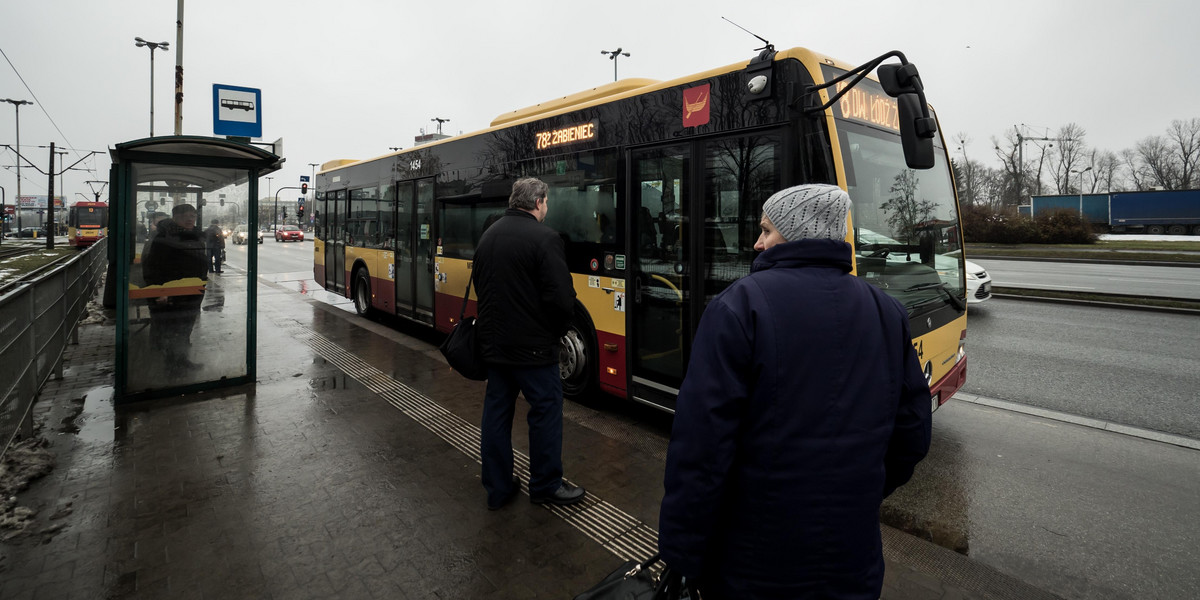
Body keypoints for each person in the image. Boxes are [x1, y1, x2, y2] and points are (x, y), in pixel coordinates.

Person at [657, 184, 932, 599]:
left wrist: (683, 554)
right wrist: (861, 488)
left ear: (796, 232)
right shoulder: (886, 310)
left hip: (756, 561)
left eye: (766, 230)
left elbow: (702, 450)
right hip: (853, 558)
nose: (756, 242)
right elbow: (912, 431)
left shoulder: (739, 306)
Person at [473, 177, 583, 510]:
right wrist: (557, 331)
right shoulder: (545, 238)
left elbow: (481, 284)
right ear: (537, 202)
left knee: (496, 414)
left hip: (495, 347)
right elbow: (562, 298)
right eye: (546, 202)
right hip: (534, 351)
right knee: (546, 412)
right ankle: (546, 484)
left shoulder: (489, 235)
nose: (546, 207)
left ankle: (498, 486)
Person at [142, 204, 209, 377]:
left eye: (193, 216)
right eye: (185, 216)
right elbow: (153, 268)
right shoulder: (163, 238)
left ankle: (182, 361)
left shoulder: (195, 236)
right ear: (175, 218)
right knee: (172, 331)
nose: (190, 219)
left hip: (193, 292)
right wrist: (159, 292)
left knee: (185, 329)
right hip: (171, 294)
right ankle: (171, 367)